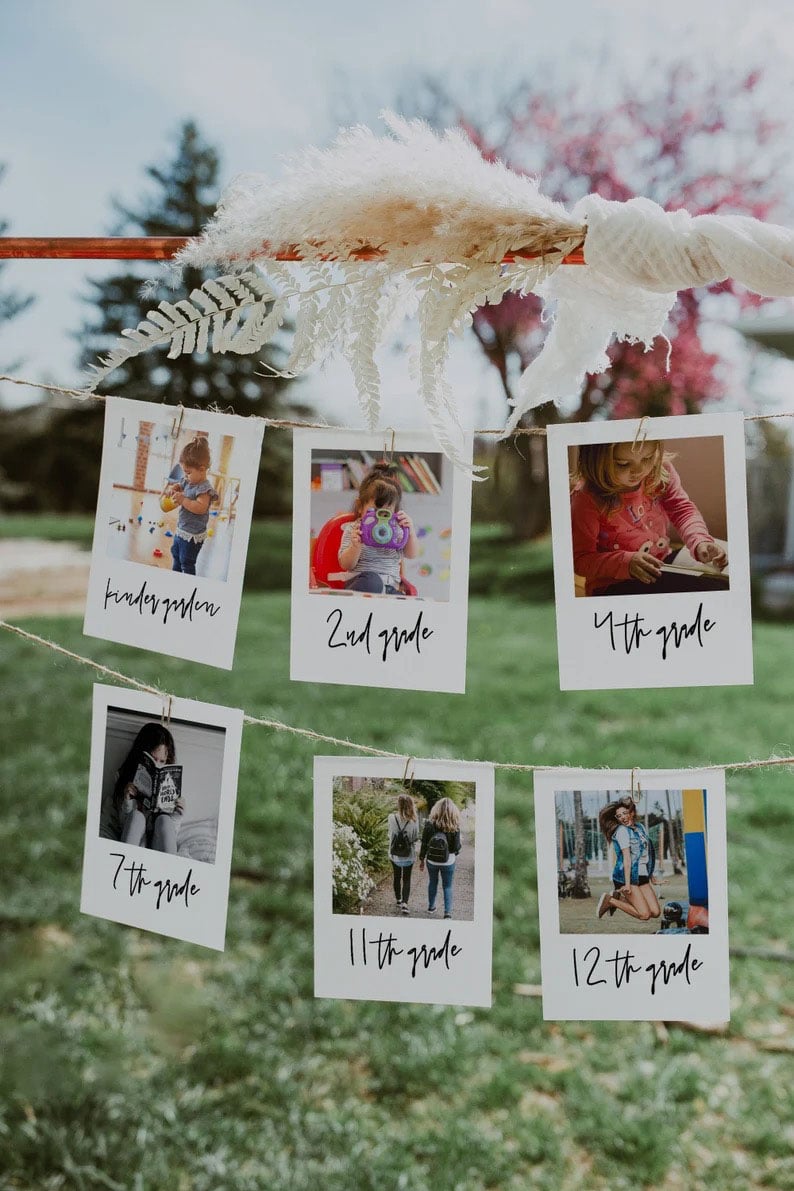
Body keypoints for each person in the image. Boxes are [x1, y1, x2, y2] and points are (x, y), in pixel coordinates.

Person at [570, 439, 728, 596]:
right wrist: (626, 562)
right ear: (594, 460)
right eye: (623, 463)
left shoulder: (659, 471)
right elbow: (580, 559)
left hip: (662, 561)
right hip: (613, 584)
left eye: (648, 458)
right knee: (707, 589)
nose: (639, 470)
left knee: (725, 574)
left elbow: (682, 509)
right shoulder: (585, 499)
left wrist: (700, 540)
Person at [337, 462, 419, 594]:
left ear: (395, 512)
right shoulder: (354, 529)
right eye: (375, 510)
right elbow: (346, 565)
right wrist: (355, 547)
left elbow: (412, 554)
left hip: (390, 587)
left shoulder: (396, 530)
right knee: (372, 581)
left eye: (386, 513)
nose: (380, 518)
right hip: (362, 584)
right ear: (360, 506)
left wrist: (410, 531)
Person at [112, 722, 184, 853]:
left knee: (165, 820)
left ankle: (171, 869)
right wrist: (127, 801)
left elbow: (171, 833)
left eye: (162, 761)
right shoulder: (123, 778)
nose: (157, 764)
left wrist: (177, 815)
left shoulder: (170, 783)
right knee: (136, 817)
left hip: (158, 845)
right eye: (152, 758)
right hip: (137, 843)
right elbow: (123, 824)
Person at [596, 797, 661, 922]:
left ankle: (619, 898)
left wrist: (651, 875)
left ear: (632, 813)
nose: (623, 818)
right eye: (619, 816)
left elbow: (646, 854)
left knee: (655, 912)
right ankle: (610, 900)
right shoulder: (622, 831)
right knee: (644, 915)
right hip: (627, 877)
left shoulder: (640, 827)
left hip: (642, 875)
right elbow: (627, 858)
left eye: (625, 813)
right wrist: (627, 884)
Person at [164, 436, 219, 576]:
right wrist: (174, 488)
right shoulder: (188, 480)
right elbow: (179, 484)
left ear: (202, 469)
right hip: (182, 529)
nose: (185, 476)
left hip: (193, 536)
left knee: (187, 562)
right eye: (184, 472)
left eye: (188, 472)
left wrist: (183, 500)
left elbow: (200, 508)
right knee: (175, 554)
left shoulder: (204, 489)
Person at [419, 797, 462, 919]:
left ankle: (431, 907)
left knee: (433, 882)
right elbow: (456, 848)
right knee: (447, 886)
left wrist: (422, 859)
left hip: (432, 860)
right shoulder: (455, 826)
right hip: (448, 861)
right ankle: (447, 913)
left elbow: (424, 843)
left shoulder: (429, 824)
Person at [387, 791, 420, 915]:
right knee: (407, 878)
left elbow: (389, 834)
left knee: (396, 876)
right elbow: (416, 837)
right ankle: (405, 904)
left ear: (399, 804)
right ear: (411, 805)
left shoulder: (391, 818)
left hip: (394, 854)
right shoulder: (414, 821)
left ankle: (398, 899)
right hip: (408, 854)